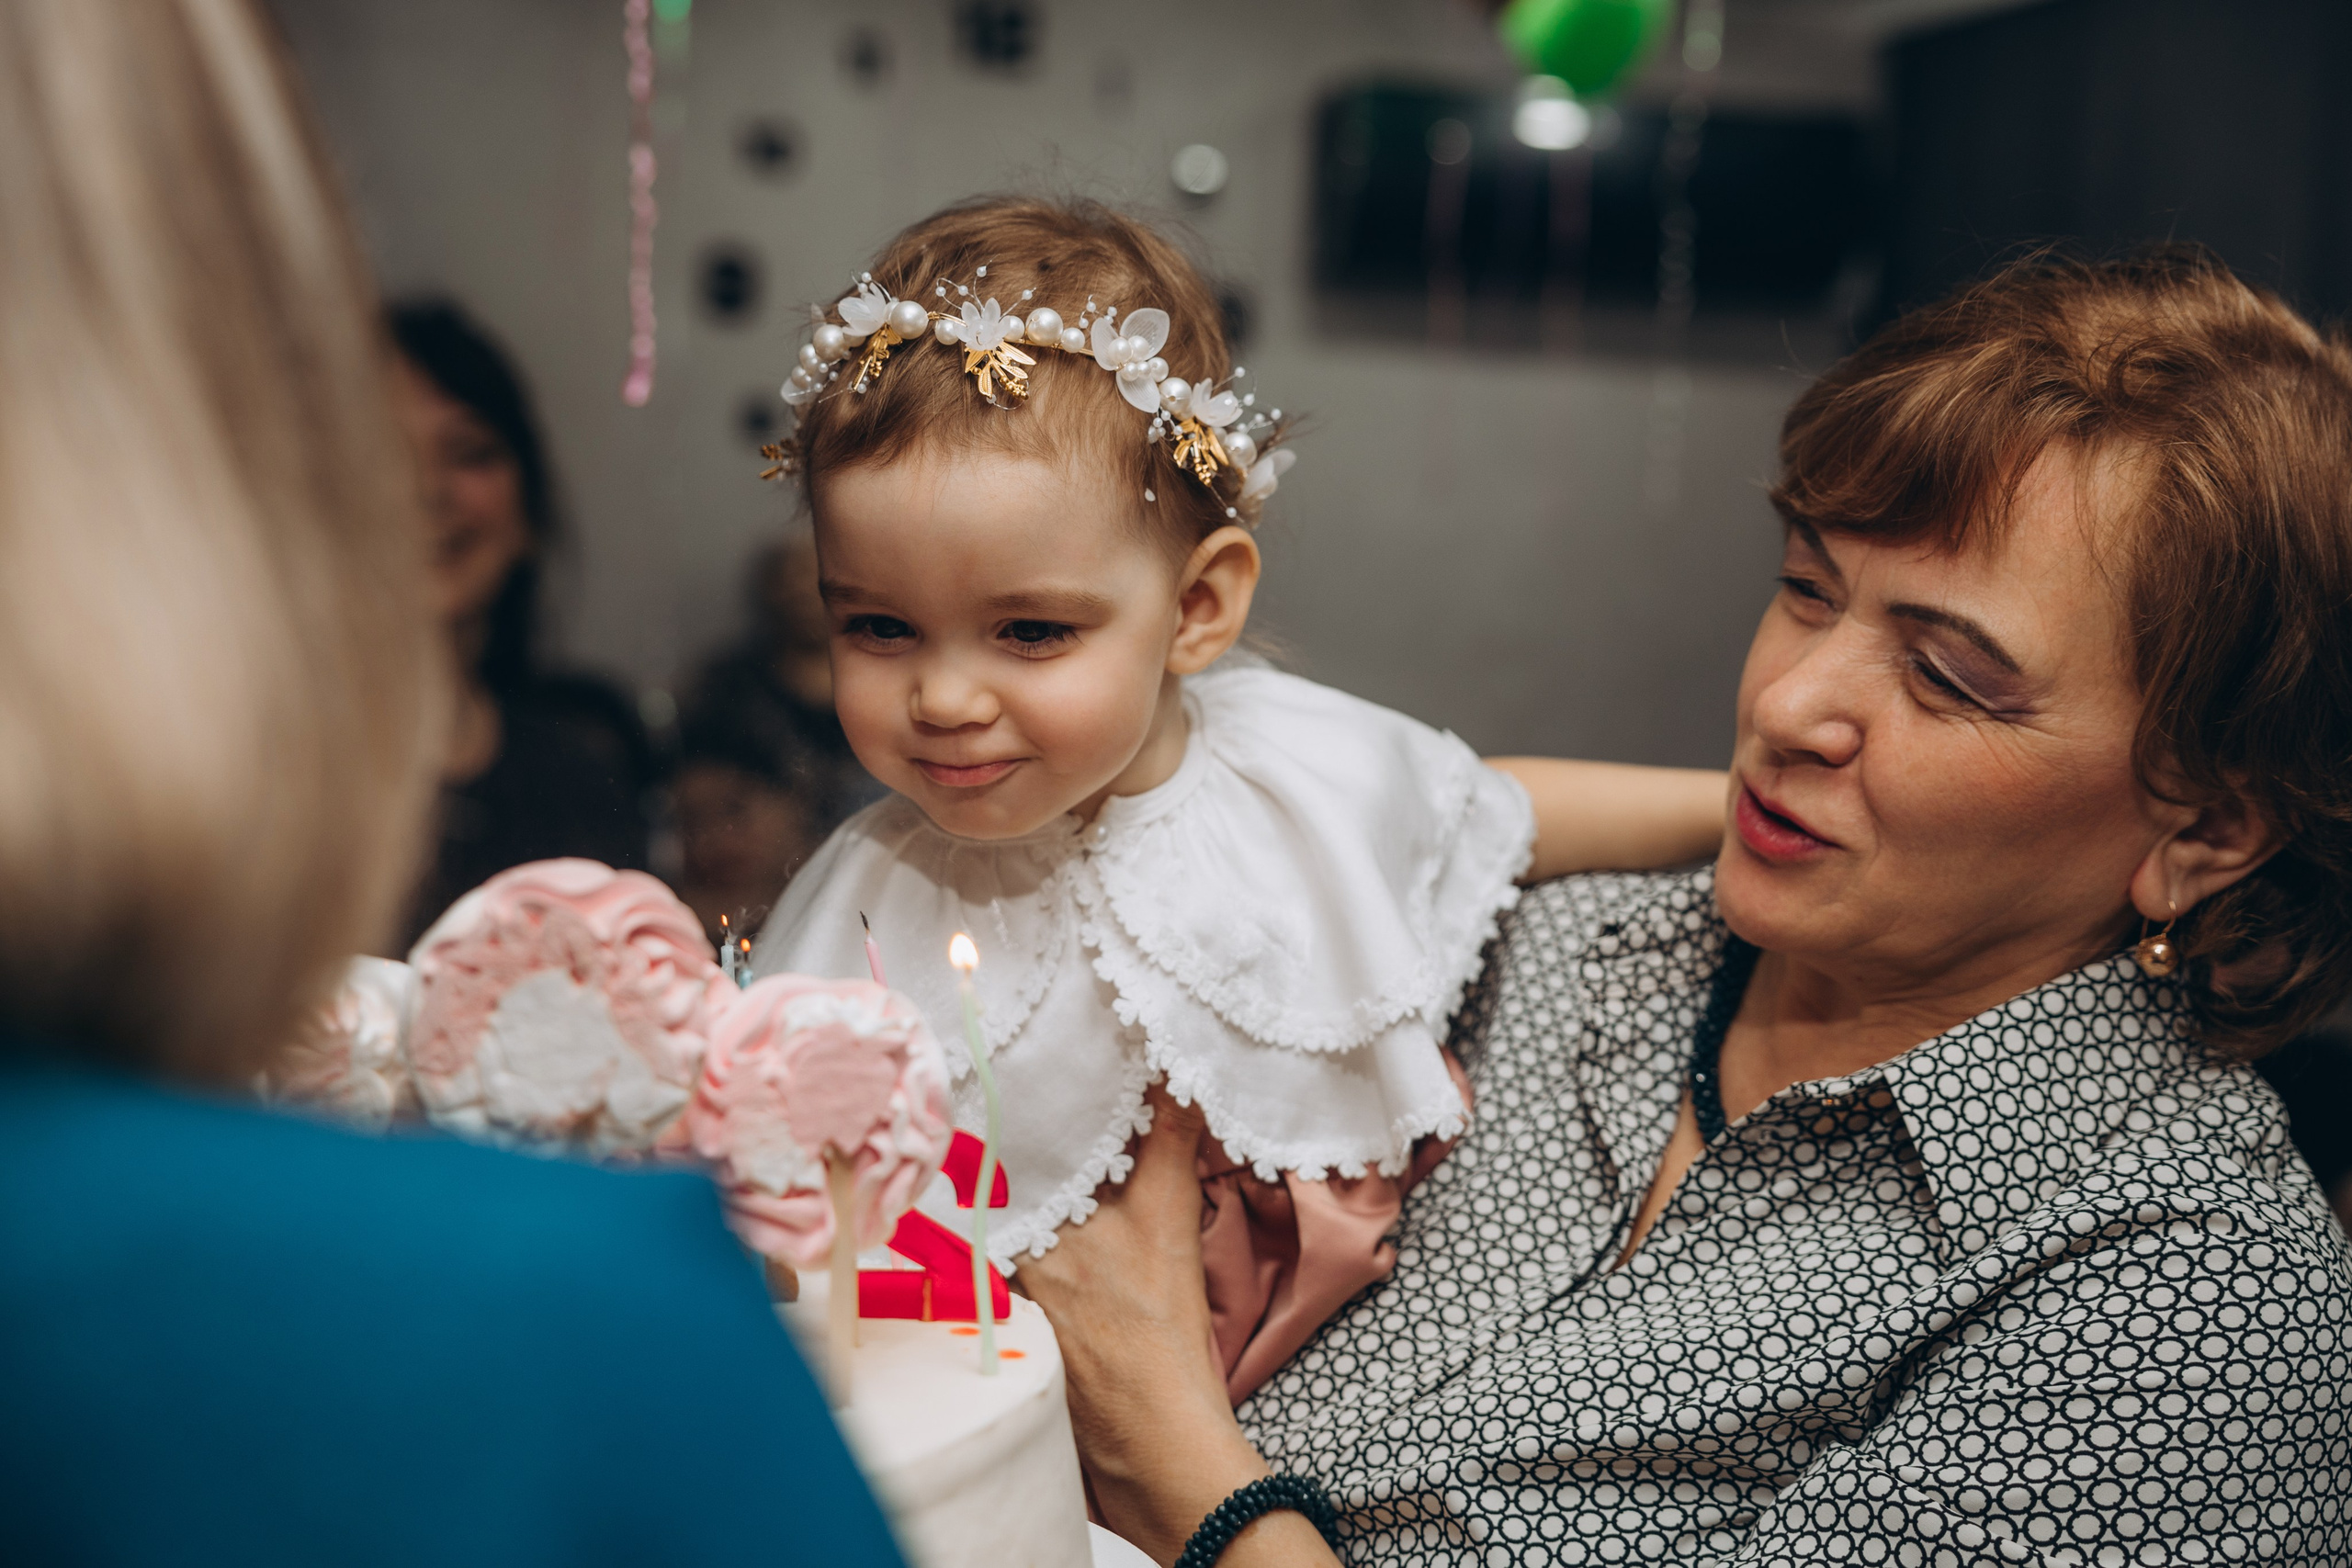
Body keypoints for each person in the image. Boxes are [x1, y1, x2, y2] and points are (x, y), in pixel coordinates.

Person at [1019, 249, 2352, 1566]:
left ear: (2205, 828)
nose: (1786, 703)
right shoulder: (1547, 937)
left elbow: (1149, 1388)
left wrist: (1165, 1443)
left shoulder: (2194, 1312)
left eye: (1946, 678)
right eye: (1806, 590)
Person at [0, 4, 904, 1563]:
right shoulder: (578, 1321)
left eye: (468, 449)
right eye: (375, 443)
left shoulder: (589, 744)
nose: (424, 489)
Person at [749, 197, 1729, 1404]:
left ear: (1197, 608)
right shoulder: (868, 900)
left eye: (1031, 631)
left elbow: (1495, 814)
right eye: (879, 627)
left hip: (1340, 1357)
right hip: (1011, 1388)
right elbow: (782, 1204)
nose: (944, 697)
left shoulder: (1293, 764)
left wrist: (1738, 805)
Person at [388, 298, 653, 947]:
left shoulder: (581, 782)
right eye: (384, 455)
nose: (430, 490)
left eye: (469, 453)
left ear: (527, 510)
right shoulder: (258, 777)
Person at [680, 532, 883, 850]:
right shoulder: (731, 683)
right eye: (787, 577)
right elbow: (701, 788)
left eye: (814, 575)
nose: (800, 590)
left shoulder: (885, 673)